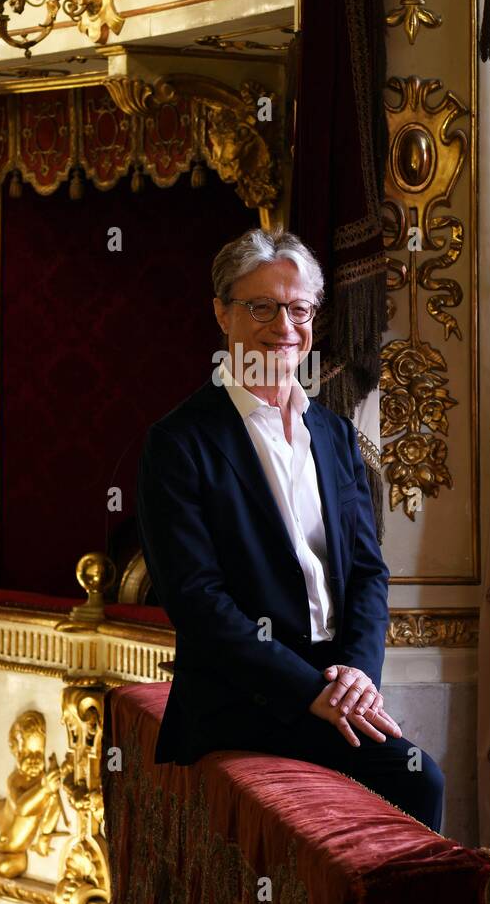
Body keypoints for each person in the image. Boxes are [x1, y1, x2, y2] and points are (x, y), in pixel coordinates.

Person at [136, 226, 445, 831]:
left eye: (300, 308)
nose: (285, 326)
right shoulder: (178, 443)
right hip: (241, 692)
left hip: (335, 677)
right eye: (263, 307)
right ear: (222, 313)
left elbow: (366, 572)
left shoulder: (329, 433)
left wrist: (357, 672)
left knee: (412, 775)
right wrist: (311, 692)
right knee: (416, 777)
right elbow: (198, 602)